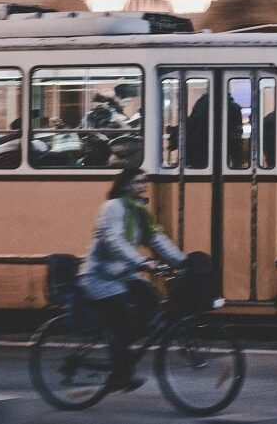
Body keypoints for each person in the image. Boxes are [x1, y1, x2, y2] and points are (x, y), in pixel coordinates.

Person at [77, 168, 187, 392]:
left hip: (123, 275)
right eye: (138, 182)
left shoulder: (139, 211)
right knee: (122, 320)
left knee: (153, 304)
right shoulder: (113, 207)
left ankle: (120, 347)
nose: (143, 186)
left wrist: (183, 262)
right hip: (101, 277)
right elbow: (113, 241)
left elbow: (157, 239)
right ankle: (119, 373)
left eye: (143, 182)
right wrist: (141, 262)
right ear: (126, 185)